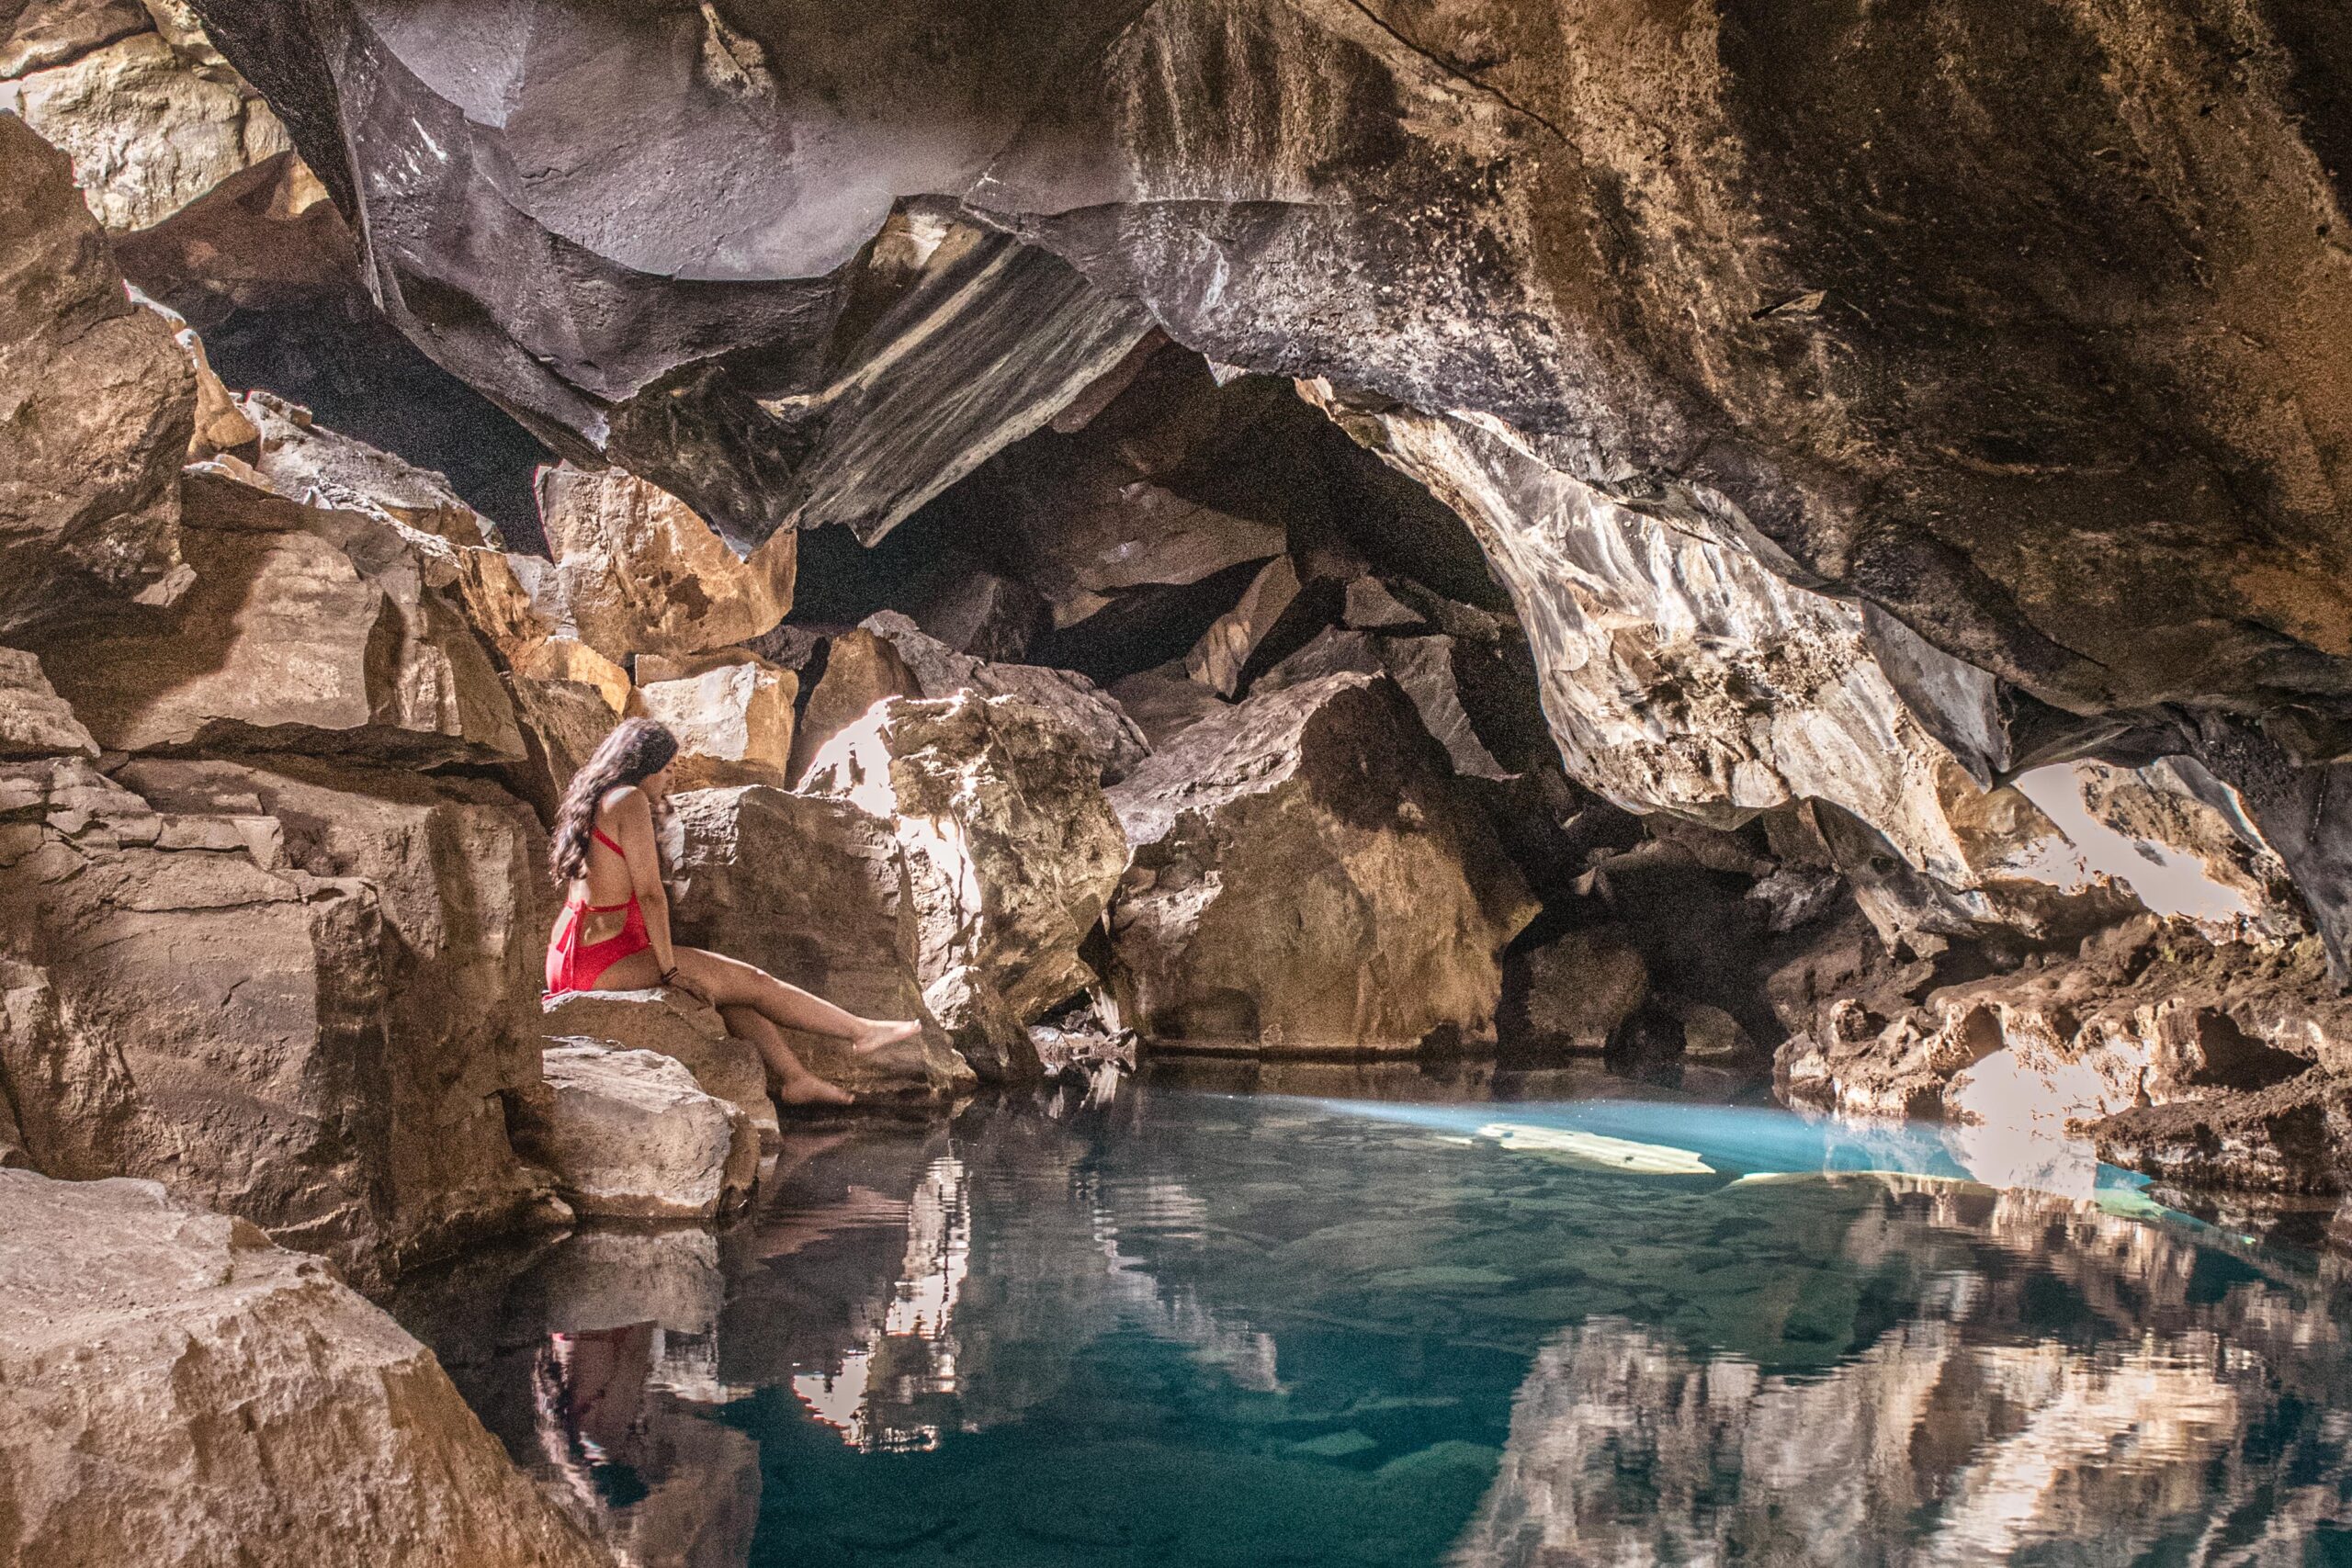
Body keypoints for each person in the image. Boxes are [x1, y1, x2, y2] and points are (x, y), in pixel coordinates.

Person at [543, 717, 920, 1107]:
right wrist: (670, 970)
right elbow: (651, 894)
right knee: (756, 981)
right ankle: (861, 1031)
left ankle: (797, 1079)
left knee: (730, 992)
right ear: (645, 764)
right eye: (669, 768)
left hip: (575, 954)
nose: (671, 780)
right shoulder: (629, 799)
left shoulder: (598, 798)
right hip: (599, 962)